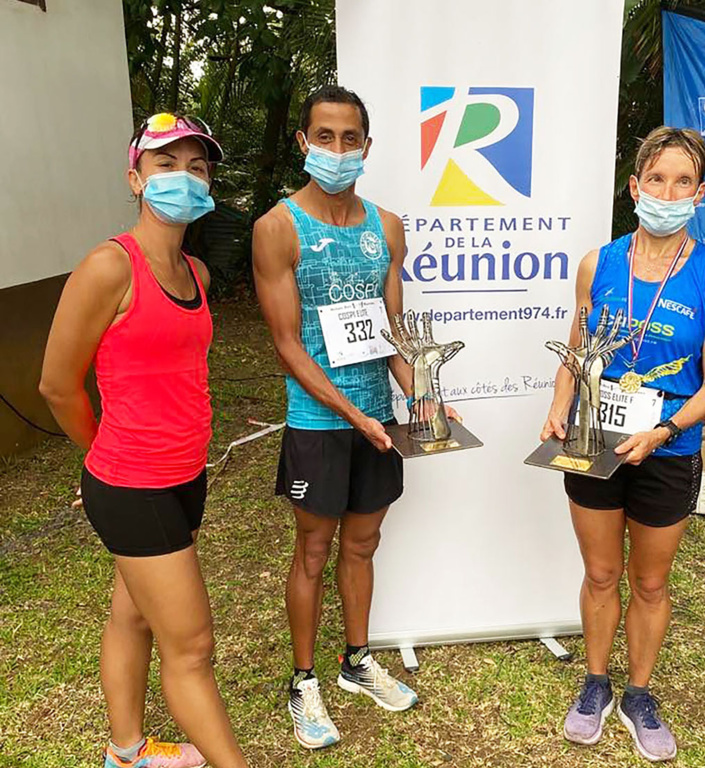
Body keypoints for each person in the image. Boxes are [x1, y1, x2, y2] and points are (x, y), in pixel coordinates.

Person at [40, 113, 249, 768]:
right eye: (166, 164)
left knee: (131, 618)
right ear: (135, 178)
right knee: (191, 651)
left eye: (198, 166)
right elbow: (56, 386)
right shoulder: (110, 267)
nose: (184, 177)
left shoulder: (197, 275)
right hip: (134, 485)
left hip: (185, 477)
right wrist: (103, 458)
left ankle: (126, 752)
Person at [253, 85, 455, 750]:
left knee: (362, 546)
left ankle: (356, 660)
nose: (338, 150)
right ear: (303, 142)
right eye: (325, 137)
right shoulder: (278, 228)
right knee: (313, 550)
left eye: (350, 139)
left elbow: (390, 333)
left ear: (367, 147)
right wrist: (351, 413)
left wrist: (419, 392)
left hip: (379, 421)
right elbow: (287, 345)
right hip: (318, 422)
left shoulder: (386, 226)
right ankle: (304, 679)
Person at [540, 127, 705, 762]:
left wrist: (666, 432)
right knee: (600, 573)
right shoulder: (599, 262)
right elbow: (577, 347)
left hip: (668, 449)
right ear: (635, 187)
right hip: (595, 442)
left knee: (650, 583)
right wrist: (558, 404)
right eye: (657, 179)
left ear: (700, 193)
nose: (668, 192)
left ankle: (639, 694)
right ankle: (595, 683)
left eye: (683, 182)